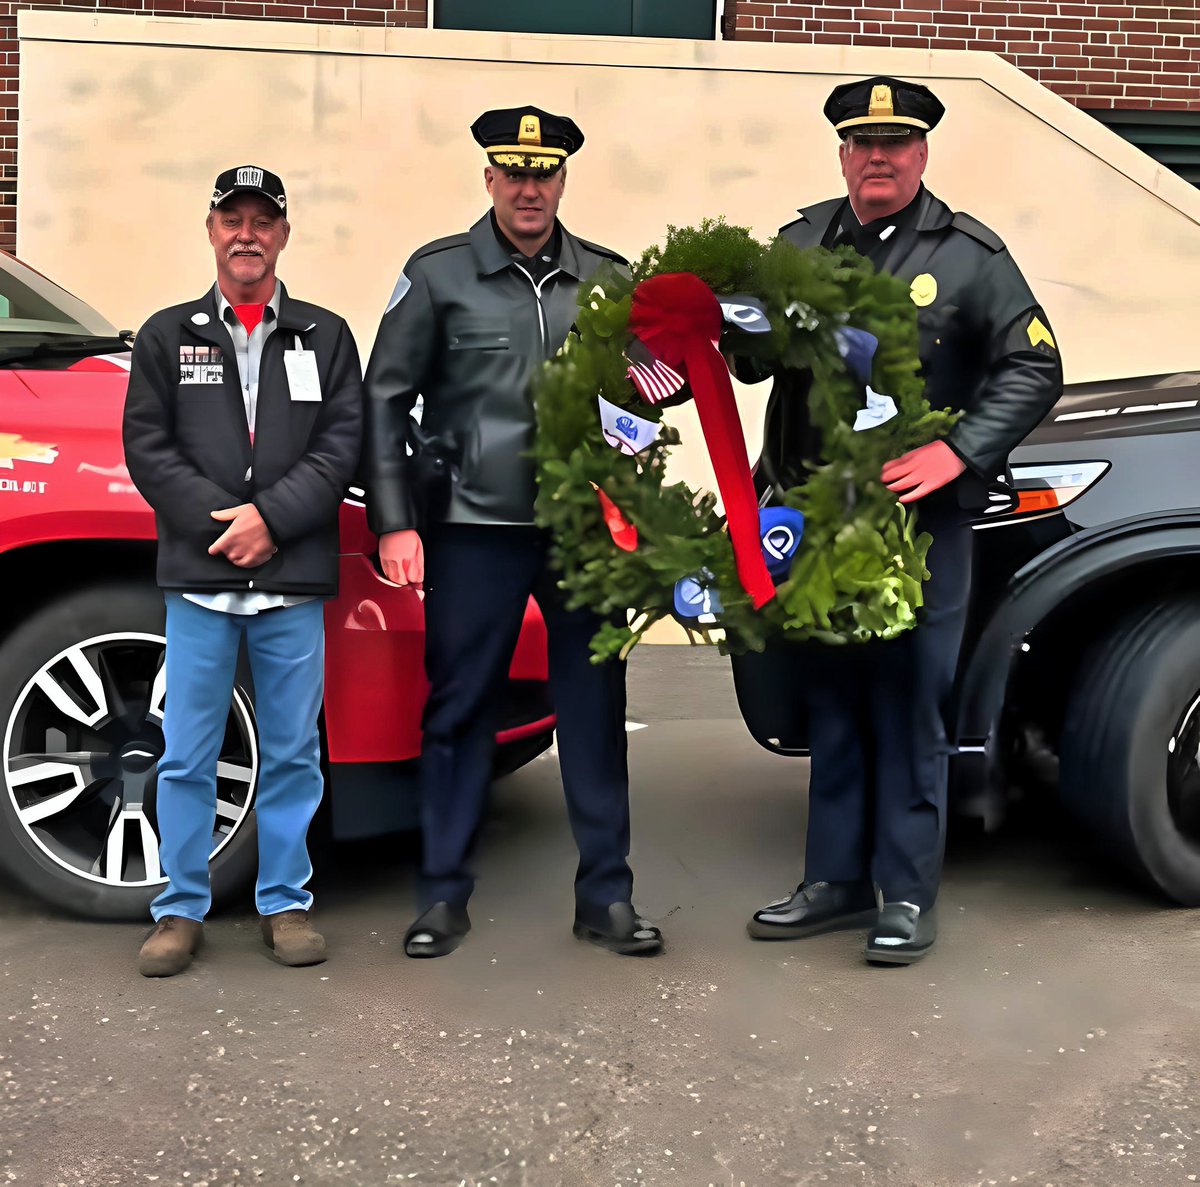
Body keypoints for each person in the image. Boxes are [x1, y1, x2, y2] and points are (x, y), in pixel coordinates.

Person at [744, 77, 1063, 964]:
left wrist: (959, 451)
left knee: (910, 702)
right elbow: (753, 359)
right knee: (833, 702)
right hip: (818, 518)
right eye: (862, 142)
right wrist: (721, 321)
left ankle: (909, 893)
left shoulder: (969, 255)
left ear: (921, 153)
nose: (877, 157)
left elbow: (1035, 367)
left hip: (917, 527)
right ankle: (835, 882)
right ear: (843, 154)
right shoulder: (801, 243)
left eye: (895, 142)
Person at [363, 106, 663, 959]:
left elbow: (641, 394)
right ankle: (441, 894)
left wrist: (653, 424)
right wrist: (396, 522)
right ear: (489, 177)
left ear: (562, 180)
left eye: (545, 173)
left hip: (583, 532)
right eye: (515, 172)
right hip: (473, 528)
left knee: (595, 709)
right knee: (459, 710)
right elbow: (384, 399)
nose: (530, 189)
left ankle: (606, 894)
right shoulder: (437, 275)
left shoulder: (607, 279)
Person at [123, 166, 363, 976]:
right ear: (212, 230)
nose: (247, 235)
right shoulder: (167, 335)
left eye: (264, 221)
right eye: (234, 220)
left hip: (291, 582)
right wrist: (225, 526)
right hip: (201, 579)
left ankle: (285, 902)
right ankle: (179, 907)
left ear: (284, 235)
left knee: (293, 754)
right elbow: (148, 447)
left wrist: (274, 520)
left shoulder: (326, 336)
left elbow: (341, 445)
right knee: (186, 754)